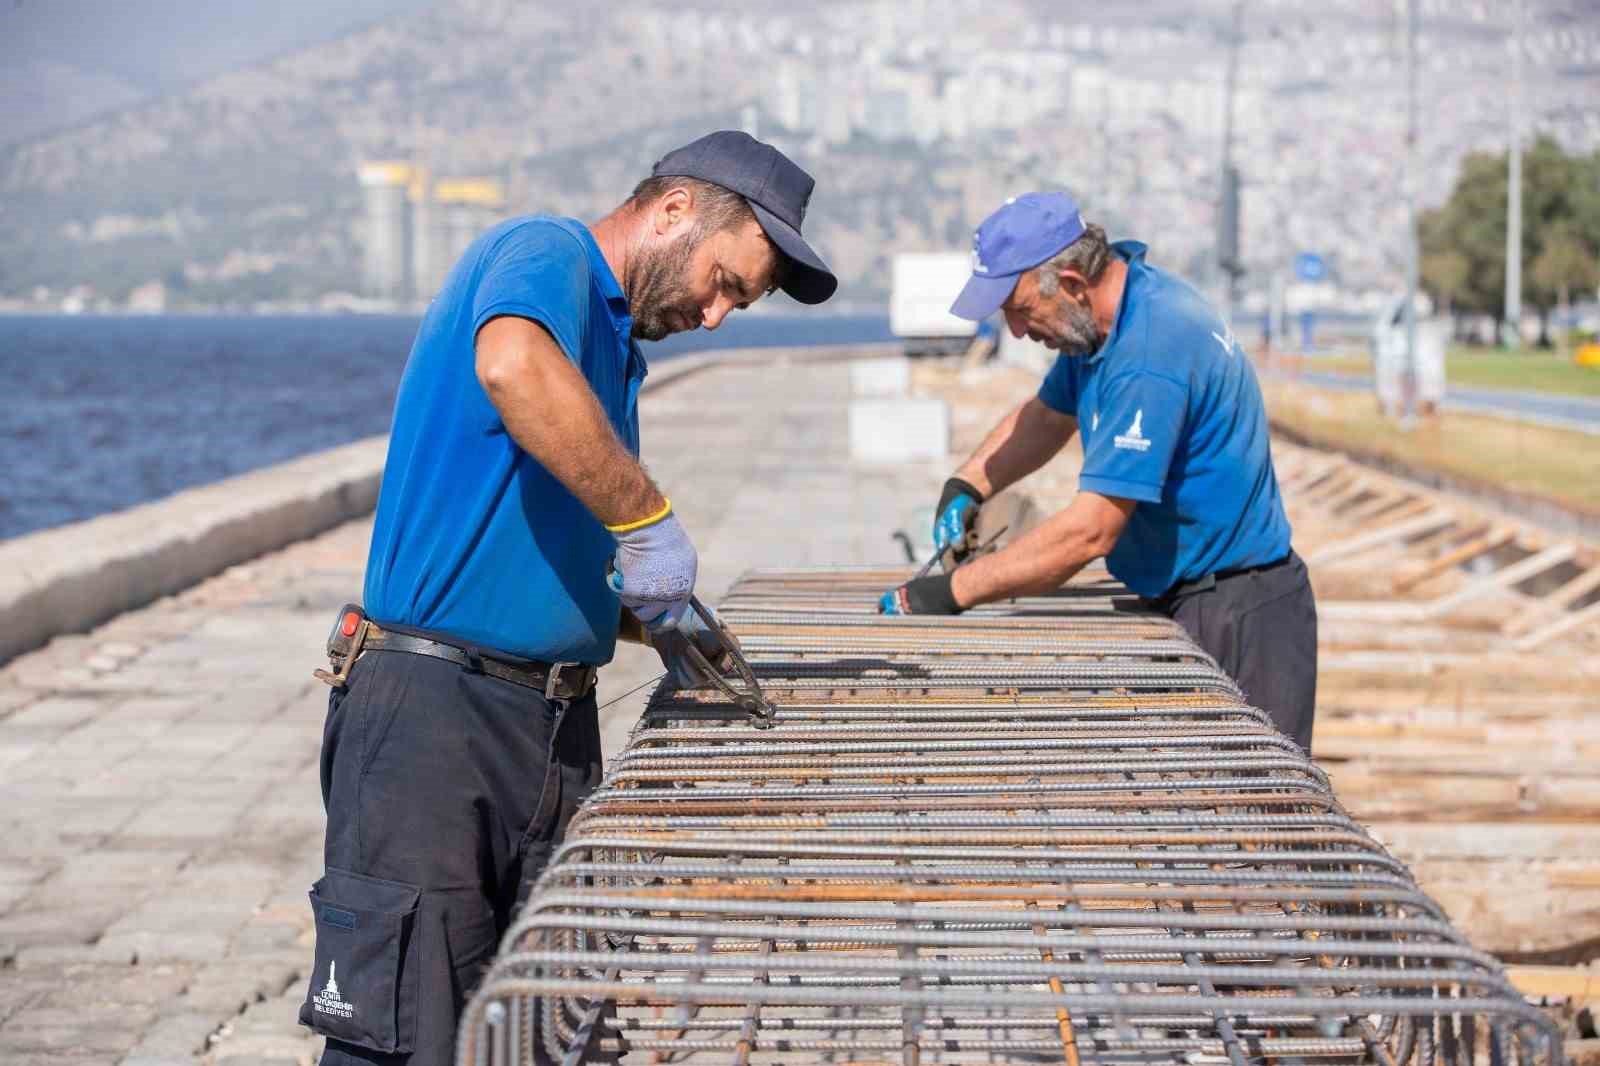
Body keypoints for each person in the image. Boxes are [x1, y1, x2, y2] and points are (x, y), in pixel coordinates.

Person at [302, 130, 836, 1066]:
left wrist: (651, 620)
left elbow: (538, 528)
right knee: (398, 1035)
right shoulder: (546, 254)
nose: (716, 316)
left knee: (543, 1030)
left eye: (737, 305)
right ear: (673, 211)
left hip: (548, 726)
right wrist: (649, 519)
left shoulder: (615, 353)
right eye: (723, 282)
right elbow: (511, 368)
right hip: (438, 724)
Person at [879, 191, 1316, 751]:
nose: (1014, 331)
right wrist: (969, 483)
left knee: (1249, 814)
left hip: (1239, 614)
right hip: (1181, 593)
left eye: (1018, 310)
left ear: (1071, 283)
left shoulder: (1151, 351)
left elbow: (1091, 530)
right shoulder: (1100, 330)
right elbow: (1045, 418)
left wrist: (951, 591)